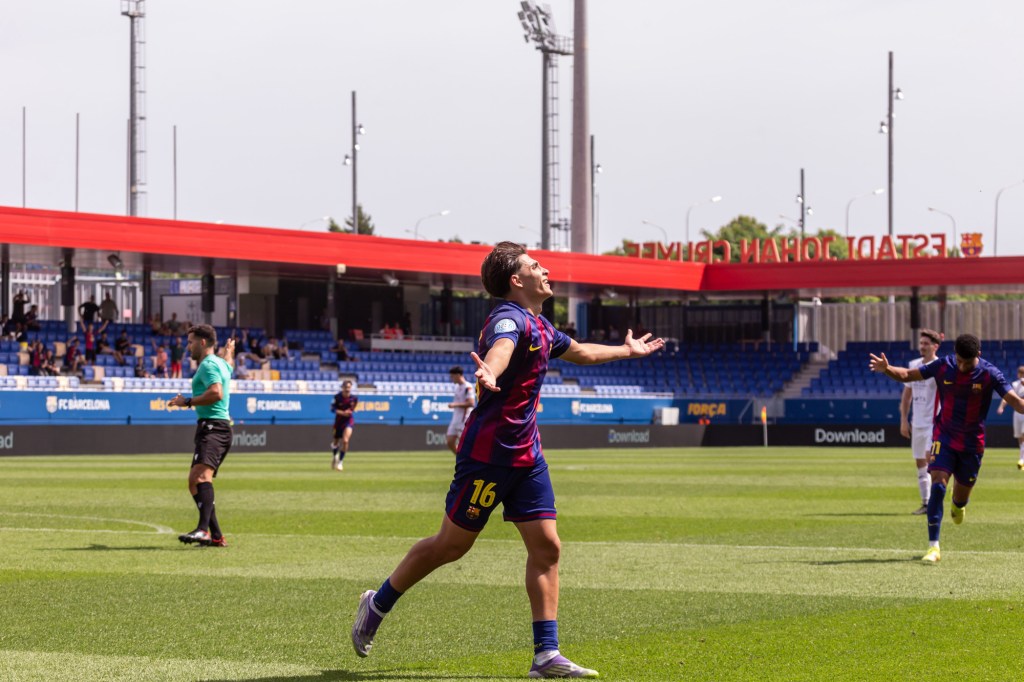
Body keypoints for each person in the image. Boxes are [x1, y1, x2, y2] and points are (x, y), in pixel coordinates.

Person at [351, 241, 664, 678]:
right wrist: (490, 371)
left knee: (548, 546)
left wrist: (628, 352)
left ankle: (546, 655)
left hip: (528, 455)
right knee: (451, 546)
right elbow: (500, 348)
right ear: (517, 281)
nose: (545, 269)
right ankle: (377, 603)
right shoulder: (509, 318)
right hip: (489, 457)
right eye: (536, 266)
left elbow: (584, 352)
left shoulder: (541, 325)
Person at [870, 333, 1024, 563]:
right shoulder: (944, 365)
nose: (961, 366)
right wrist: (887, 368)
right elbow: (907, 375)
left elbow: (1016, 402)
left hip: (972, 444)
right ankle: (934, 547)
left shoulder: (990, 373)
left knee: (959, 503)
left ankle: (958, 504)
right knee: (938, 486)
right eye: (959, 360)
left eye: (967, 362)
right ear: (954, 354)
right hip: (944, 436)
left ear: (978, 356)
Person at [169, 326, 234, 548]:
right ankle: (216, 536)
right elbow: (228, 367)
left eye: (190, 342)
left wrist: (187, 402)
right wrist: (229, 351)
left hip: (214, 428)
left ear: (203, 342)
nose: (188, 346)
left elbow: (217, 392)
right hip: (214, 427)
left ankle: (203, 530)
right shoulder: (220, 363)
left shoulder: (208, 365)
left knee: (199, 478)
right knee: (195, 482)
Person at [899, 329, 942, 515]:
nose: (922, 347)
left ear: (935, 346)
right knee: (920, 463)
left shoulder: (940, 366)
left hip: (935, 422)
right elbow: (907, 395)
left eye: (926, 344)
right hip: (917, 423)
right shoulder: (913, 365)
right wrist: (903, 419)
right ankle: (926, 503)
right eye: (921, 343)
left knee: (928, 460)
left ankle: (934, 501)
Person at [996, 365, 1024, 470]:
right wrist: (1001, 407)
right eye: (1020, 374)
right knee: (1019, 436)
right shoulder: (1015, 384)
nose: (1022, 376)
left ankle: (1022, 459)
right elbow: (1007, 397)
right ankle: (1022, 457)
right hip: (1017, 412)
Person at [446, 366, 475, 455]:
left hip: (464, 420)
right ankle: (460, 457)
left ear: (458, 375)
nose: (451, 379)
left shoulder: (468, 387)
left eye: (452, 376)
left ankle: (467, 460)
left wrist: (455, 405)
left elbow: (471, 403)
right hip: (455, 418)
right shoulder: (457, 387)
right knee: (450, 441)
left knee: (464, 444)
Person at [330, 380, 358, 471]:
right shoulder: (337, 397)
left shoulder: (354, 398)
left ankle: (340, 462)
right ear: (342, 387)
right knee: (335, 442)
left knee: (345, 441)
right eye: (346, 387)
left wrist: (349, 412)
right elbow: (332, 409)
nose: (347, 389)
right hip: (338, 421)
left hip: (348, 421)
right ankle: (335, 456)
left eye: (349, 387)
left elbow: (353, 409)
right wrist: (342, 413)